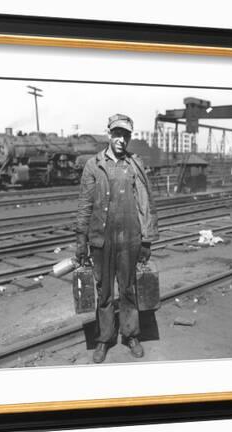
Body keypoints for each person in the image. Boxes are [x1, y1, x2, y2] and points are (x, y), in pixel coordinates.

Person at [75, 113, 156, 363]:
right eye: (117, 134)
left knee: (129, 289)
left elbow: (145, 203)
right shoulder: (94, 165)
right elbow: (85, 204)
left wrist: (146, 239)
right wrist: (81, 239)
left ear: (130, 137)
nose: (121, 139)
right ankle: (104, 338)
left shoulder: (135, 164)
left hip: (130, 238)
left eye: (126, 135)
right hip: (102, 239)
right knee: (105, 292)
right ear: (109, 134)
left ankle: (131, 335)